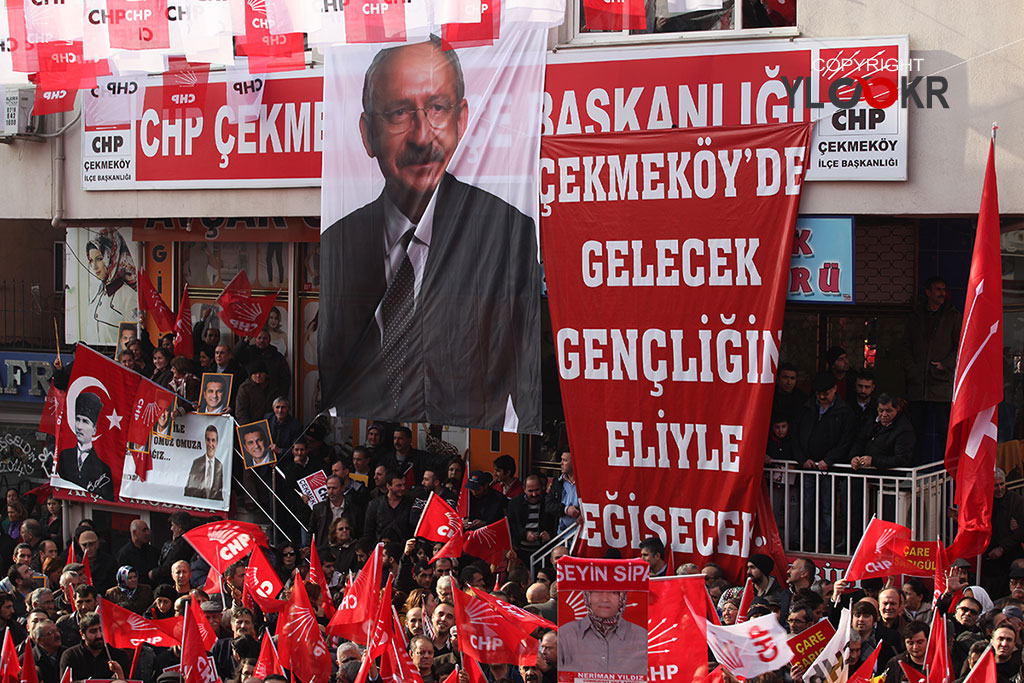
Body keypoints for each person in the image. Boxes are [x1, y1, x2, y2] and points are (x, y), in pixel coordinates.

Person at [319, 37, 540, 433]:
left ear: (462, 120)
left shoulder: (507, 231)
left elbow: (522, 373)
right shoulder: (339, 243)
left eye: (437, 108)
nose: (422, 136)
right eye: (399, 112)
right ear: (368, 134)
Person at [903, 275, 962, 463]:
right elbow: (906, 346)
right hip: (918, 383)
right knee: (914, 431)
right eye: (938, 289)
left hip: (941, 382)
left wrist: (946, 364)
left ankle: (947, 473)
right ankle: (913, 471)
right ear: (928, 292)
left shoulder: (952, 316)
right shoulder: (916, 316)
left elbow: (960, 346)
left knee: (945, 432)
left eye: (944, 290)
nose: (942, 293)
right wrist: (912, 370)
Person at [558, 590, 647, 675]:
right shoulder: (565, 634)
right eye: (597, 591)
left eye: (614, 593)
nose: (605, 599)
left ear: (622, 597)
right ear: (587, 596)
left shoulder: (643, 637)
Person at [57, 392, 114, 500]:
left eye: (85, 422)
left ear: (94, 429)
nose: (79, 426)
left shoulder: (104, 468)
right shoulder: (64, 456)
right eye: (77, 419)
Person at [82, 231, 139, 341]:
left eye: (99, 259)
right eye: (91, 260)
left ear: (113, 256)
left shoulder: (128, 296)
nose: (94, 266)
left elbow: (132, 341)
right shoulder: (95, 292)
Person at [982, 468, 1024, 598]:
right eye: (996, 485)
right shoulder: (983, 501)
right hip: (988, 554)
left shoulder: (1016, 501)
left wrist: (1002, 548)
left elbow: (1021, 531)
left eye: (1002, 484)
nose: (1000, 488)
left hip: (1009, 553)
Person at [58, 611, 130, 681]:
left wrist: (120, 675)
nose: (99, 635)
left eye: (101, 630)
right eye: (93, 631)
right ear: (82, 634)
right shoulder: (70, 655)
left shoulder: (119, 655)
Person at [184, 425, 225, 500]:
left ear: (217, 442)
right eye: (208, 440)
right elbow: (188, 489)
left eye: (213, 440)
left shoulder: (220, 465)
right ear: (205, 441)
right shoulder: (196, 463)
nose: (210, 444)